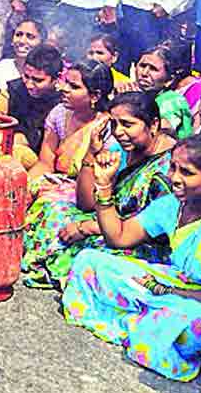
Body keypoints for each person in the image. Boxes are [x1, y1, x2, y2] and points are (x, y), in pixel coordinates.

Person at [63, 135, 201, 382]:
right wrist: (104, 186)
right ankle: (145, 323)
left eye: (187, 172)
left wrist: (167, 291)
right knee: (90, 262)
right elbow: (119, 236)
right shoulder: (173, 205)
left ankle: (142, 321)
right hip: (174, 289)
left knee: (181, 321)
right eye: (172, 167)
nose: (174, 178)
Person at [21, 91, 177, 289]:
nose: (119, 132)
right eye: (114, 124)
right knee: (53, 208)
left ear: (153, 125)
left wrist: (88, 227)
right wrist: (92, 153)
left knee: (92, 254)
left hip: (141, 242)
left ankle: (63, 271)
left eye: (127, 124)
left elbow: (152, 229)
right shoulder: (124, 149)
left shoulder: (169, 168)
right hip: (108, 221)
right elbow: (85, 203)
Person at [27, 60, 115, 189]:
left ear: (95, 96)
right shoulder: (59, 113)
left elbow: (101, 179)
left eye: (74, 86)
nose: (64, 89)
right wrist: (25, 186)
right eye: (66, 82)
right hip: (53, 183)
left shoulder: (108, 127)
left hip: (85, 191)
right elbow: (45, 163)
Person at [0, 44, 64, 170]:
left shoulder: (63, 104)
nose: (29, 85)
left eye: (38, 80)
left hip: (41, 161)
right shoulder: (15, 89)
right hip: (7, 148)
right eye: (26, 76)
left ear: (57, 79)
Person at [131, 41, 198, 138]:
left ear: (169, 80)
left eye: (153, 69)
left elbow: (162, 129)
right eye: (142, 66)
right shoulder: (139, 95)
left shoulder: (172, 101)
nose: (144, 73)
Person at [0, 17, 45, 91]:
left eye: (30, 37)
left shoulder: (48, 72)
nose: (22, 41)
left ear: (42, 43)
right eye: (18, 35)